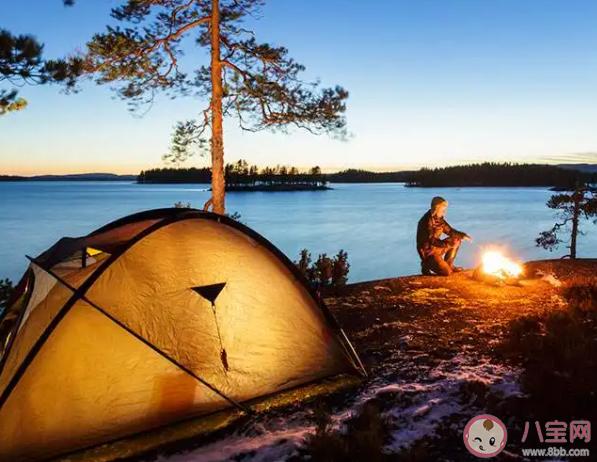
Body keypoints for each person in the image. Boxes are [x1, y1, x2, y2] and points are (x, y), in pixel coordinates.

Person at [416, 196, 472, 276]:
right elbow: (432, 240)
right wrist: (448, 244)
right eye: (443, 210)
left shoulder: (439, 219)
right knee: (447, 272)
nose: (445, 212)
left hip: (436, 248)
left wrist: (462, 236)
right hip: (428, 252)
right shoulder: (426, 222)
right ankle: (426, 264)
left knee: (456, 239)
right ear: (436, 209)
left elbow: (449, 230)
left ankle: (449, 264)